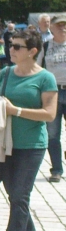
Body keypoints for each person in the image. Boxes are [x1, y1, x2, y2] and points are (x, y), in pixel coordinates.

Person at [0, 29, 57, 231]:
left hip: (32, 145)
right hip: (6, 142)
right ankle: (27, 227)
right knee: (13, 193)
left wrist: (16, 111)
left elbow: (49, 114)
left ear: (32, 51)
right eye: (11, 45)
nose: (11, 50)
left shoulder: (45, 78)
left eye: (17, 47)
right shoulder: (6, 73)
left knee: (20, 194)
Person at [38, 15, 66, 182]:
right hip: (52, 92)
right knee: (53, 134)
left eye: (65, 25)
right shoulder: (46, 45)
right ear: (52, 28)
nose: (62, 28)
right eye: (59, 25)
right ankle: (56, 169)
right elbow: (38, 68)